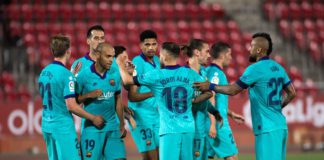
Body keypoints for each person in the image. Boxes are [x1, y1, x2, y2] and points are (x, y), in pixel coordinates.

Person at [194, 33, 297, 160]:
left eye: (252, 46)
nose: (249, 49)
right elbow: (292, 93)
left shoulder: (255, 69)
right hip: (281, 126)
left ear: (259, 50)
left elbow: (233, 90)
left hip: (267, 128)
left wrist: (211, 86)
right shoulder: (278, 67)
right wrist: (276, 107)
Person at [117, 42, 222, 160]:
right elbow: (209, 92)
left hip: (169, 130)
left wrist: (120, 63)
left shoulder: (156, 75)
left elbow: (126, 81)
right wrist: (192, 100)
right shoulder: (189, 73)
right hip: (188, 128)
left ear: (164, 56)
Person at [38, 35, 104, 160]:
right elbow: (71, 105)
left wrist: (71, 77)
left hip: (46, 125)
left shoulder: (44, 72)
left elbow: (53, 92)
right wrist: (93, 118)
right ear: (68, 51)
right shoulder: (66, 75)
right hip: (62, 127)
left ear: (52, 51)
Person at [75, 43, 127, 160]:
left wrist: (122, 124)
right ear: (98, 55)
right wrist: (89, 95)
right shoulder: (84, 76)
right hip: (92, 129)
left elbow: (118, 99)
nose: (111, 60)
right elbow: (75, 101)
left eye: (113, 57)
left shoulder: (115, 73)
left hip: (112, 127)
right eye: (107, 56)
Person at [206, 42, 245, 160]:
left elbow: (216, 102)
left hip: (211, 121)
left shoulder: (209, 71)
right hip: (218, 123)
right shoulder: (216, 73)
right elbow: (210, 96)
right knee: (232, 156)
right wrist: (213, 124)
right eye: (229, 54)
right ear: (223, 55)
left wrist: (231, 114)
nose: (231, 57)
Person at [127, 30, 160, 160]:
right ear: (141, 45)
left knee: (160, 154)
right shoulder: (138, 63)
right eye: (147, 44)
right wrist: (153, 93)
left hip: (155, 115)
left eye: (154, 44)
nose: (151, 47)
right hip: (141, 115)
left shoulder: (157, 61)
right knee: (150, 156)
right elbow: (132, 96)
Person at [181, 38, 212, 160]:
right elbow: (186, 101)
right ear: (197, 52)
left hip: (202, 125)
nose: (209, 55)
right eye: (207, 51)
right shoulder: (184, 74)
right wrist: (206, 95)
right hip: (191, 126)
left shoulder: (203, 72)